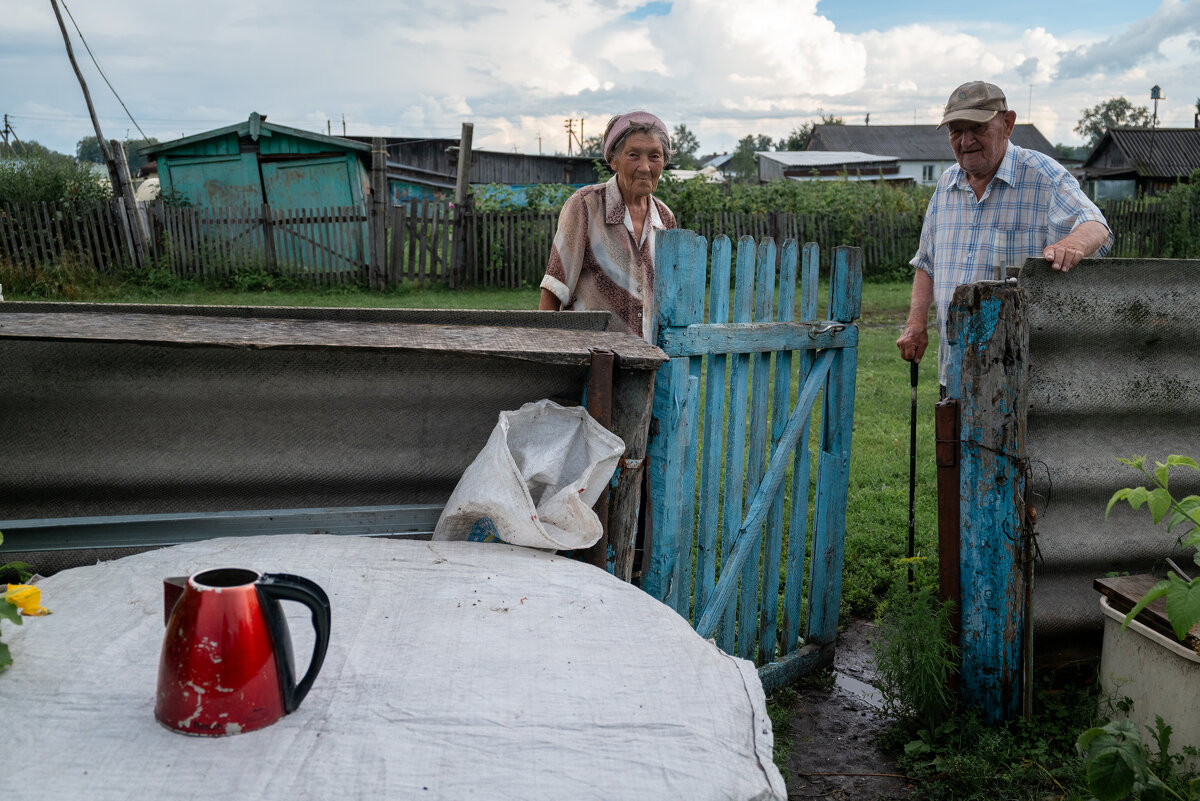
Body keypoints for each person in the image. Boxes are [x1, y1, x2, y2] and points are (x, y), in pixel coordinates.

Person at [896, 81, 1114, 388]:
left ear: (1007, 124)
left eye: (977, 127)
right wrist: (916, 323)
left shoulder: (1042, 177)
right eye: (956, 130)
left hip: (1017, 380)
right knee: (954, 437)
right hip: (955, 372)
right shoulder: (946, 186)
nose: (966, 140)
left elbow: (1095, 225)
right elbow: (927, 264)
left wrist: (1073, 243)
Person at [538, 111, 677, 342]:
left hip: (647, 360)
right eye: (633, 155)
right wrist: (546, 353)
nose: (645, 167)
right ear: (613, 160)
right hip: (589, 358)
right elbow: (555, 288)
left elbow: (669, 297)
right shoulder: (586, 205)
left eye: (655, 156)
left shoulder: (664, 218)